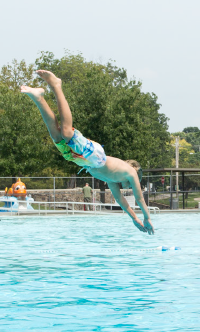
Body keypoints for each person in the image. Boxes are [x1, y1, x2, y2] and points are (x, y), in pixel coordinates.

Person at [21, 70, 154, 235]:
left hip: (83, 161)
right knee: (67, 133)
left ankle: (38, 97)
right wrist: (147, 217)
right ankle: (56, 85)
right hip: (96, 157)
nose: (129, 187)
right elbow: (140, 199)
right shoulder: (131, 173)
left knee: (57, 136)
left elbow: (121, 201)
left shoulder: (111, 179)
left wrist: (134, 219)